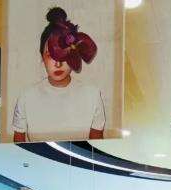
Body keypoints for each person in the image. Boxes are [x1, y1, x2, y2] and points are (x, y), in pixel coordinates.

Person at [12, 7, 105, 142]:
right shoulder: (26, 97)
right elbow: (18, 144)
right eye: (51, 55)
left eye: (64, 55)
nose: (58, 64)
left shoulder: (92, 95)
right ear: (42, 57)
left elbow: (95, 146)